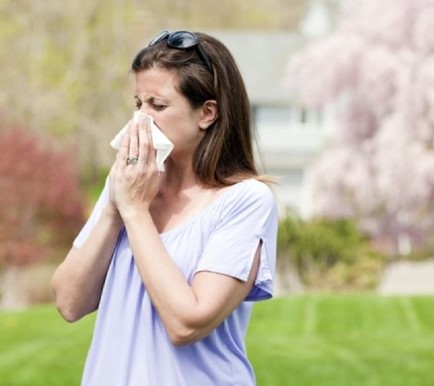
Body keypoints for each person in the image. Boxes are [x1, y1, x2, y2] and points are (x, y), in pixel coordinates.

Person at [51, 30, 278, 386]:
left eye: (158, 105)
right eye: (138, 104)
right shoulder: (126, 184)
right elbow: (69, 302)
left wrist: (136, 212)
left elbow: (186, 323)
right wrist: (114, 208)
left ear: (207, 114)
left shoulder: (245, 201)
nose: (141, 120)